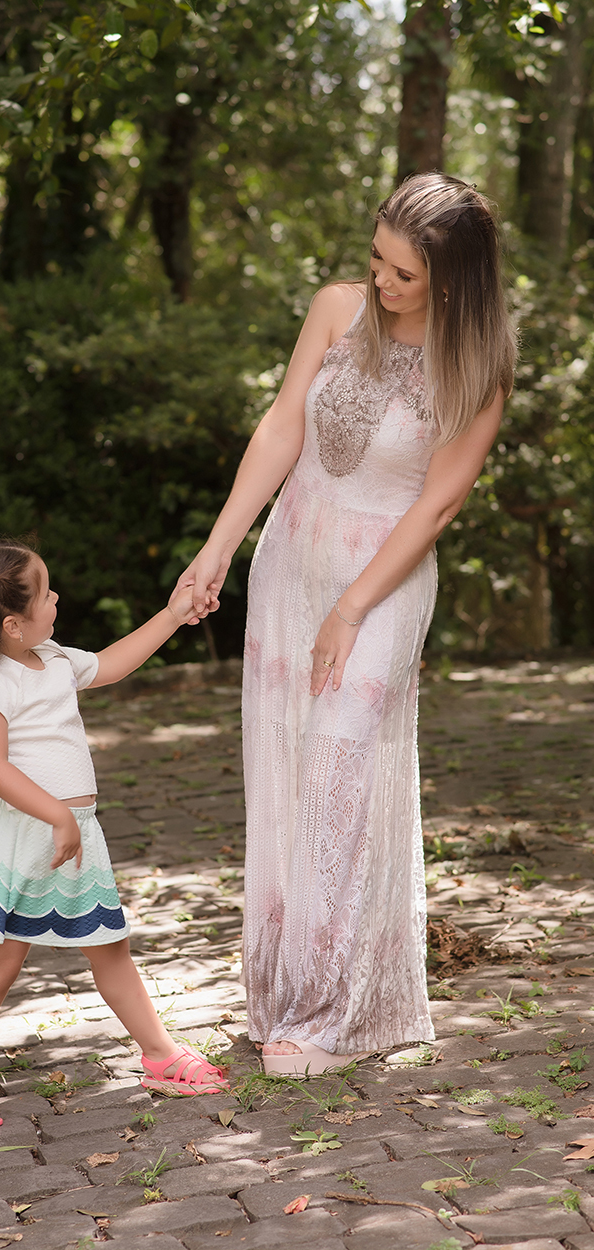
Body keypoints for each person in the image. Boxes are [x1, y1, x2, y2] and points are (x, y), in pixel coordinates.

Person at [173, 173, 517, 1076]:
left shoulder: (480, 361)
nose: (381, 282)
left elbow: (438, 505)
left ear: (452, 280)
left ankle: (326, 1013)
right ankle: (284, 996)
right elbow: (283, 427)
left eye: (403, 273)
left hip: (383, 576)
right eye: (377, 259)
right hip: (294, 557)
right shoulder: (335, 310)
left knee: (339, 768)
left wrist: (354, 606)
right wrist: (218, 549)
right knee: (288, 769)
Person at [0, 540, 227, 1133]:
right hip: (23, 837)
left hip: (71, 834)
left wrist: (175, 613)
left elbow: (111, 663)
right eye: (46, 591)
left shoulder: (49, 658)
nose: (56, 598)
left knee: (111, 948)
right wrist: (56, 815)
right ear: (10, 623)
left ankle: (159, 1054)